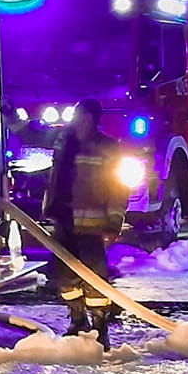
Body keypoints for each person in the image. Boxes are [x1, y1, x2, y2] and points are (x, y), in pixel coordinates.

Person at [47, 97, 126, 345]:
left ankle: (100, 326)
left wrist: (113, 224)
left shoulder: (108, 148)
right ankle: (77, 320)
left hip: (93, 226)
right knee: (65, 276)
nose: (75, 121)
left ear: (91, 119)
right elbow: (33, 136)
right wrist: (10, 117)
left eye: (79, 116)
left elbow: (118, 189)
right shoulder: (64, 141)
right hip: (63, 221)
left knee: (95, 277)